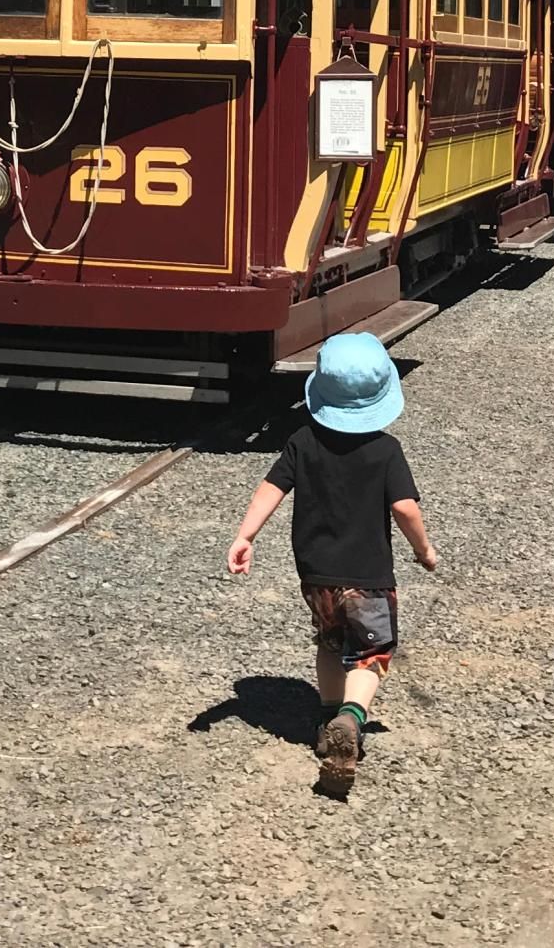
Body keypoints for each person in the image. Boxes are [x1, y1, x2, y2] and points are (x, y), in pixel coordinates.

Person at [227, 332, 439, 797]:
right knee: (370, 654)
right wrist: (424, 551)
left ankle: (326, 715)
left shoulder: (302, 441)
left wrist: (246, 535)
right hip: (369, 579)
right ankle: (352, 718)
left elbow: (271, 489)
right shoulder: (386, 451)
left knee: (329, 641)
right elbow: (405, 509)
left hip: (316, 574)